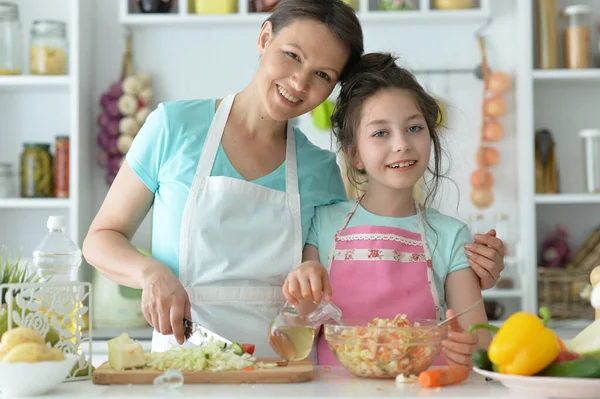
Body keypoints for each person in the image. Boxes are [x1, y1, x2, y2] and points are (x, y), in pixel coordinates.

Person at [83, 0, 503, 358]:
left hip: (284, 374)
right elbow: (100, 238)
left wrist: (463, 270)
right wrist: (151, 275)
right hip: (184, 367)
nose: (300, 82)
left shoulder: (320, 170)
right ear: (264, 38)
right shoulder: (173, 127)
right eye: (292, 55)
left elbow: (346, 279)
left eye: (323, 75)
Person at [282, 53, 492, 366]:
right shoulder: (324, 222)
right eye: (381, 133)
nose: (401, 144)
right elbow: (297, 336)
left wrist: (470, 348)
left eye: (414, 128)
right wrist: (302, 287)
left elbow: (480, 342)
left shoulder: (451, 235)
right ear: (354, 154)